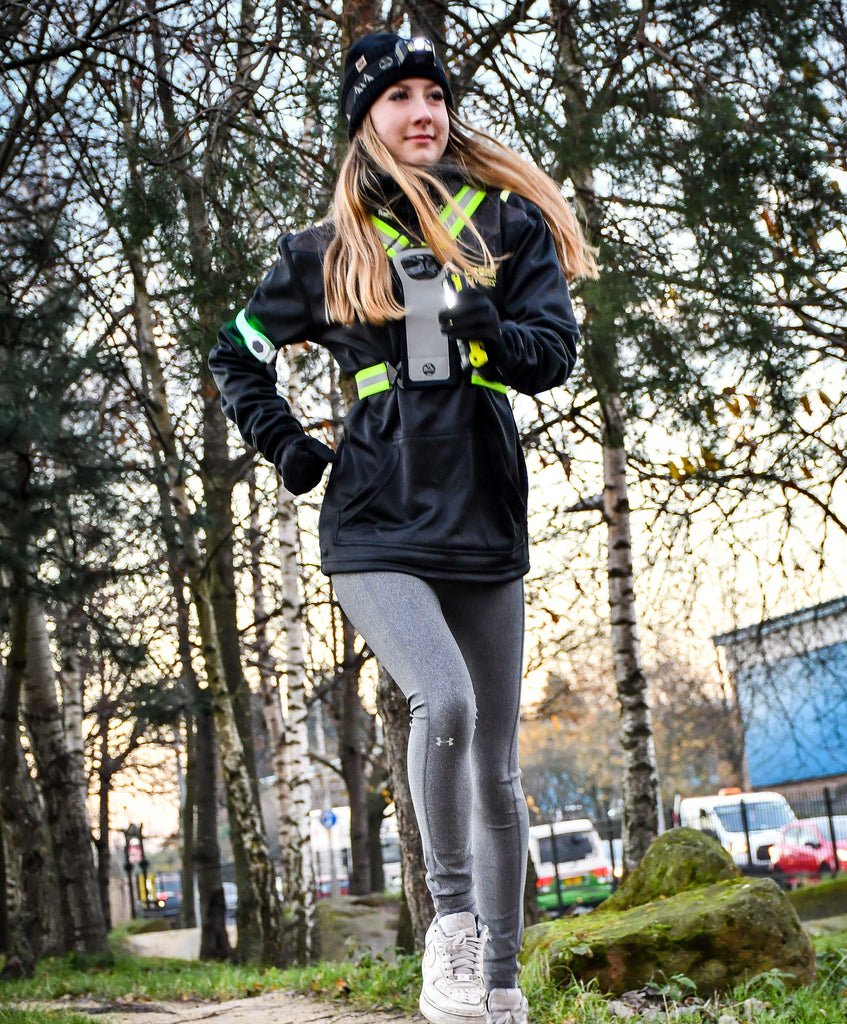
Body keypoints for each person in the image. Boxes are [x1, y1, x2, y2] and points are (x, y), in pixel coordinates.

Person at [209, 30, 597, 1024]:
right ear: (365, 121)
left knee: (498, 771)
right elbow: (236, 353)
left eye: (434, 94)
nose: (422, 111)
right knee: (444, 701)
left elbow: (554, 353)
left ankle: (500, 986)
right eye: (398, 97)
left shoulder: (507, 223)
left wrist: (489, 330)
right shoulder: (322, 251)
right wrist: (285, 442)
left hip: (484, 514)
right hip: (374, 520)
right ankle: (451, 939)